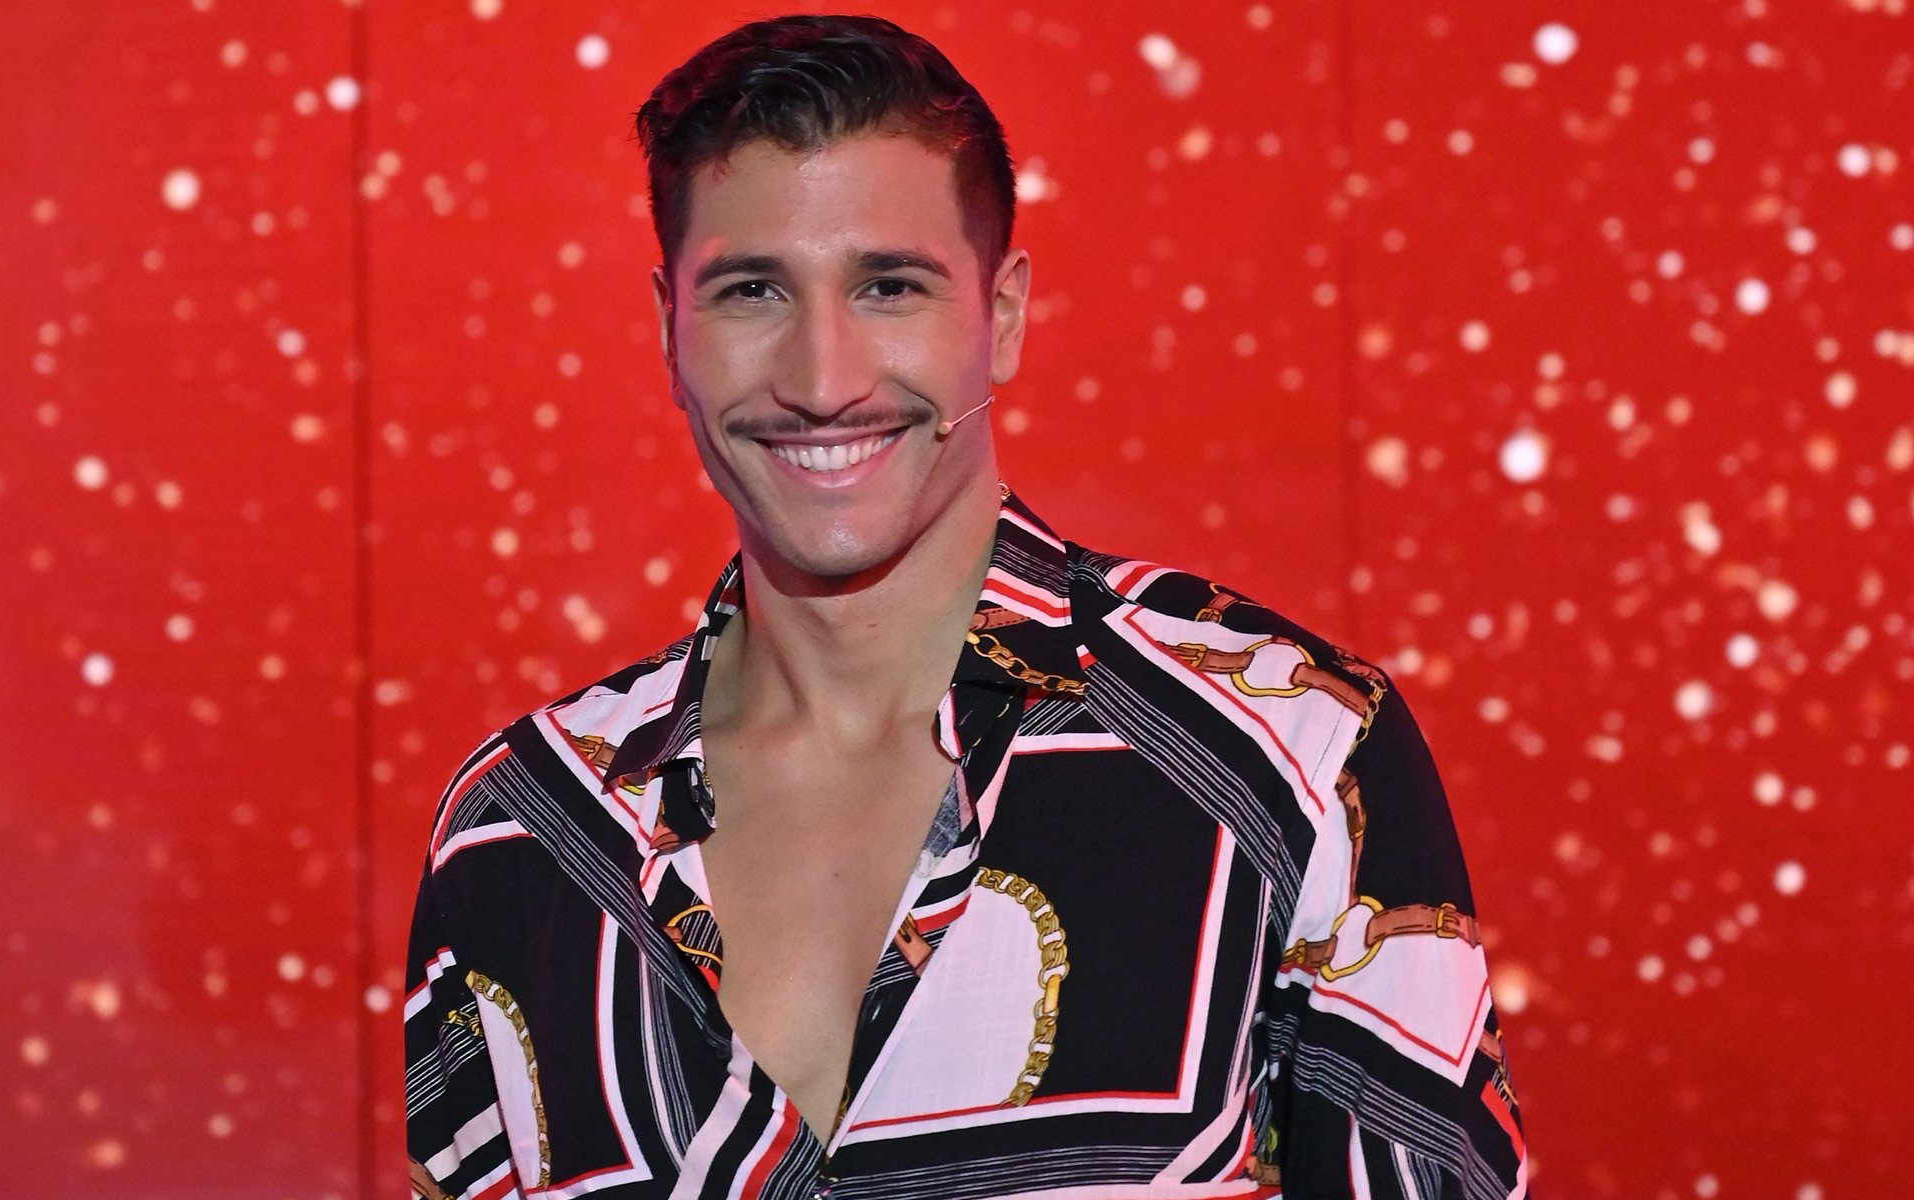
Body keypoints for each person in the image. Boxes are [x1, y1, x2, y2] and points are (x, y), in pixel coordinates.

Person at [404, 14, 1527, 1200]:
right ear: (668, 330)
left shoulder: (1292, 752)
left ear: (1002, 316)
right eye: (751, 290)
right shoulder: (521, 831)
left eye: (888, 286)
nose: (822, 380)